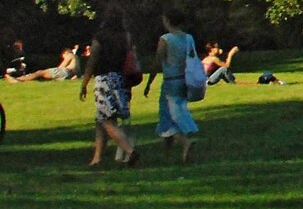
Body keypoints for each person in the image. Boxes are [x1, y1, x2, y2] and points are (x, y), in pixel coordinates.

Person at [78, 32, 139, 168]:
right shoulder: (125, 37)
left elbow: (92, 60)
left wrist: (84, 83)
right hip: (120, 79)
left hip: (104, 80)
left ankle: (130, 151)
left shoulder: (100, 37)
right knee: (101, 119)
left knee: (106, 120)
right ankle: (97, 157)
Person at [150, 12, 199, 163]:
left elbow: (158, 61)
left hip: (170, 81)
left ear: (168, 21)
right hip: (184, 81)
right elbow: (192, 58)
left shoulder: (165, 39)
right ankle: (167, 154)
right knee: (176, 112)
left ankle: (185, 143)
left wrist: (149, 82)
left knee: (167, 118)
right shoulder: (188, 38)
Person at [6, 43, 81, 82]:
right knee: (41, 76)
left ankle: (18, 80)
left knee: (40, 72)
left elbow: (61, 66)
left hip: (64, 71)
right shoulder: (77, 59)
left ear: (65, 52)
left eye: (63, 55)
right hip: (68, 74)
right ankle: (22, 79)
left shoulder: (70, 55)